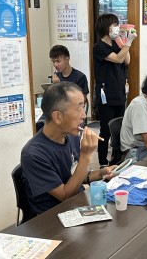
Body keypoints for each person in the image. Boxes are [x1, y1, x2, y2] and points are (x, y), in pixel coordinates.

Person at [21, 82, 116, 215]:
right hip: (53, 216)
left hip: (77, 204)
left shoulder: (70, 135)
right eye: (78, 108)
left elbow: (74, 175)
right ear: (58, 117)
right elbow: (65, 196)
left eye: (83, 107)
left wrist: (100, 174)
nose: (84, 115)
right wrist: (86, 156)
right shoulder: (33, 154)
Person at [93, 13, 136, 167]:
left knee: (120, 128)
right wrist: (128, 43)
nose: (117, 27)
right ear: (106, 27)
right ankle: (103, 162)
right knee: (105, 130)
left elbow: (126, 60)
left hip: (119, 92)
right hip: (106, 94)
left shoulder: (116, 43)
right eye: (114, 25)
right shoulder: (99, 47)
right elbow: (117, 59)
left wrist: (123, 41)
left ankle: (117, 158)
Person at [49, 44, 90, 112]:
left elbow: (82, 101)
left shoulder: (80, 77)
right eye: (53, 61)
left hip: (74, 111)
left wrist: (59, 86)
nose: (55, 65)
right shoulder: (56, 76)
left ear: (67, 59)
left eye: (58, 61)